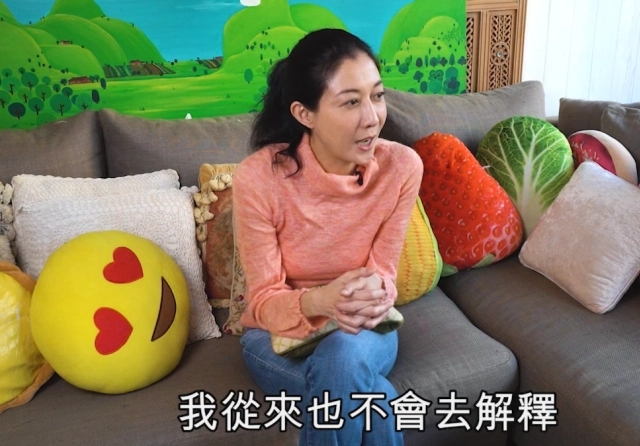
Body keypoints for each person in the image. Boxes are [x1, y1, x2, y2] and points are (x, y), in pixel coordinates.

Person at [232, 28, 423, 445]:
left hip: (365, 333)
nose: (372, 117)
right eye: (351, 102)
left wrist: (371, 293)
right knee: (375, 398)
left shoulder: (402, 167)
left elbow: (383, 275)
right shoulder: (258, 179)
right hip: (274, 338)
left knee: (344, 357)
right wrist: (322, 301)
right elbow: (263, 301)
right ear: (305, 114)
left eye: (377, 95)